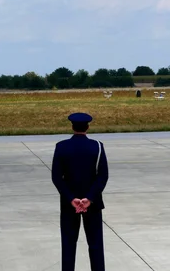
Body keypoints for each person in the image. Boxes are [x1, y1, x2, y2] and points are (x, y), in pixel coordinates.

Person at [51, 112, 109, 271]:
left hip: (69, 204)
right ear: (88, 127)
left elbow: (57, 177)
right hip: (93, 204)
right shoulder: (97, 146)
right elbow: (102, 176)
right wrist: (89, 199)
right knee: (95, 244)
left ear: (72, 127)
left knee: (69, 244)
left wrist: (71, 199)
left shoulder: (61, 146)